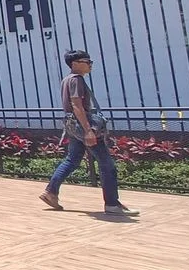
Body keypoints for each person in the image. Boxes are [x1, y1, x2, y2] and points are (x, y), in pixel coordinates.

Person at [40, 50, 139, 216]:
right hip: (83, 126)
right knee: (107, 164)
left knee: (72, 159)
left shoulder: (67, 80)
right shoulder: (76, 80)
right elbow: (77, 105)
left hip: (73, 126)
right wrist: (88, 130)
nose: (90, 64)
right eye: (87, 61)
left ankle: (51, 192)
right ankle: (112, 204)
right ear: (75, 64)